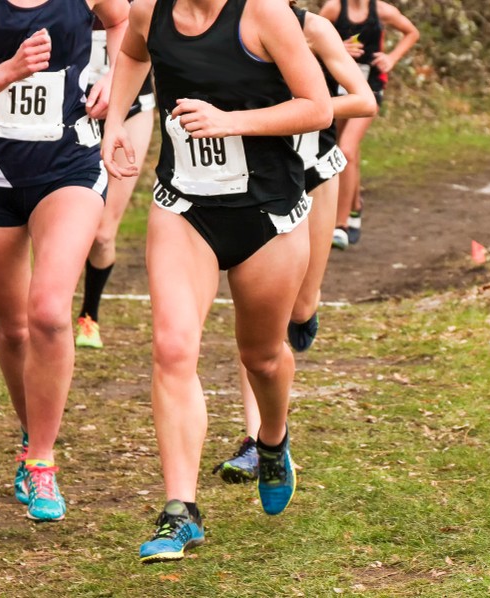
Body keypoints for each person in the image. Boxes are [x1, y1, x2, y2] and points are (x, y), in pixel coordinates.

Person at [102, 0, 332, 562]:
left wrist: (232, 122)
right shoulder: (147, 12)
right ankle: (181, 509)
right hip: (184, 207)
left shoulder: (264, 15)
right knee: (173, 347)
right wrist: (114, 122)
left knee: (262, 357)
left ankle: (273, 440)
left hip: (268, 212)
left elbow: (319, 107)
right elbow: (133, 54)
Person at [0, 0, 129, 522]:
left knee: (46, 311)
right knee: (14, 328)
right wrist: (10, 70)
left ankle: (42, 461)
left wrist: (114, 77)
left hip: (70, 166)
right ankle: (30, 433)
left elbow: (128, 22)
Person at [214, 3, 377, 484]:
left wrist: (296, 105)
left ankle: (309, 308)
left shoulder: (316, 28)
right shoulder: (225, 28)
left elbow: (364, 100)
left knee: (299, 310)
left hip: (311, 171)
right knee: (259, 315)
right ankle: (258, 439)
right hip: (256, 180)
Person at [74, 13, 156, 350]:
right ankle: (46, 312)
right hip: (69, 107)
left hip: (131, 106)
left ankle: (88, 316)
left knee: (103, 232)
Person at [320, 0, 418, 249]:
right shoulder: (333, 9)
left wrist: (392, 58)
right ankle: (355, 207)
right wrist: (337, 47)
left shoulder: (382, 10)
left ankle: (340, 225)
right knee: (347, 152)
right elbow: (310, 40)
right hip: (340, 85)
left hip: (370, 87)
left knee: (346, 150)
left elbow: (412, 32)